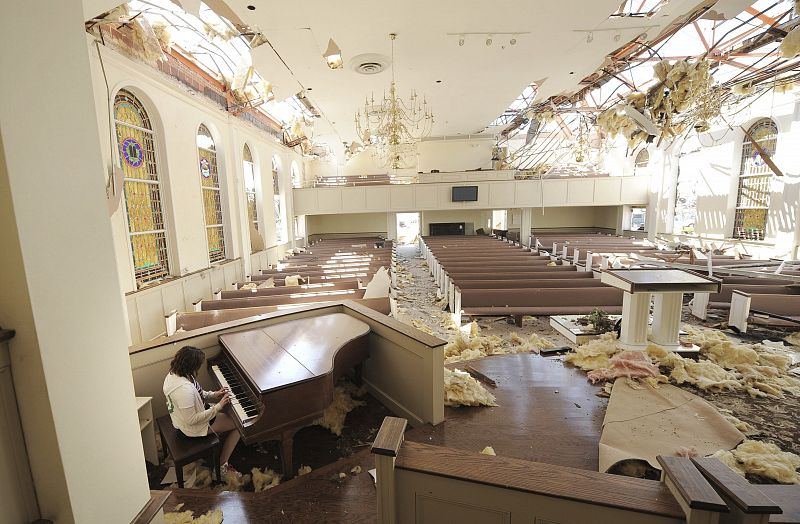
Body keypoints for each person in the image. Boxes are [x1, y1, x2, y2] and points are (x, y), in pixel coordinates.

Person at [163, 346, 241, 478]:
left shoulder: (175, 374)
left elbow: (198, 393)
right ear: (191, 366)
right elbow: (192, 419)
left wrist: (215, 394)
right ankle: (222, 466)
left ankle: (220, 438)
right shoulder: (183, 390)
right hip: (193, 426)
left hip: (193, 413)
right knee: (239, 425)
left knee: (229, 413)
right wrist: (219, 406)